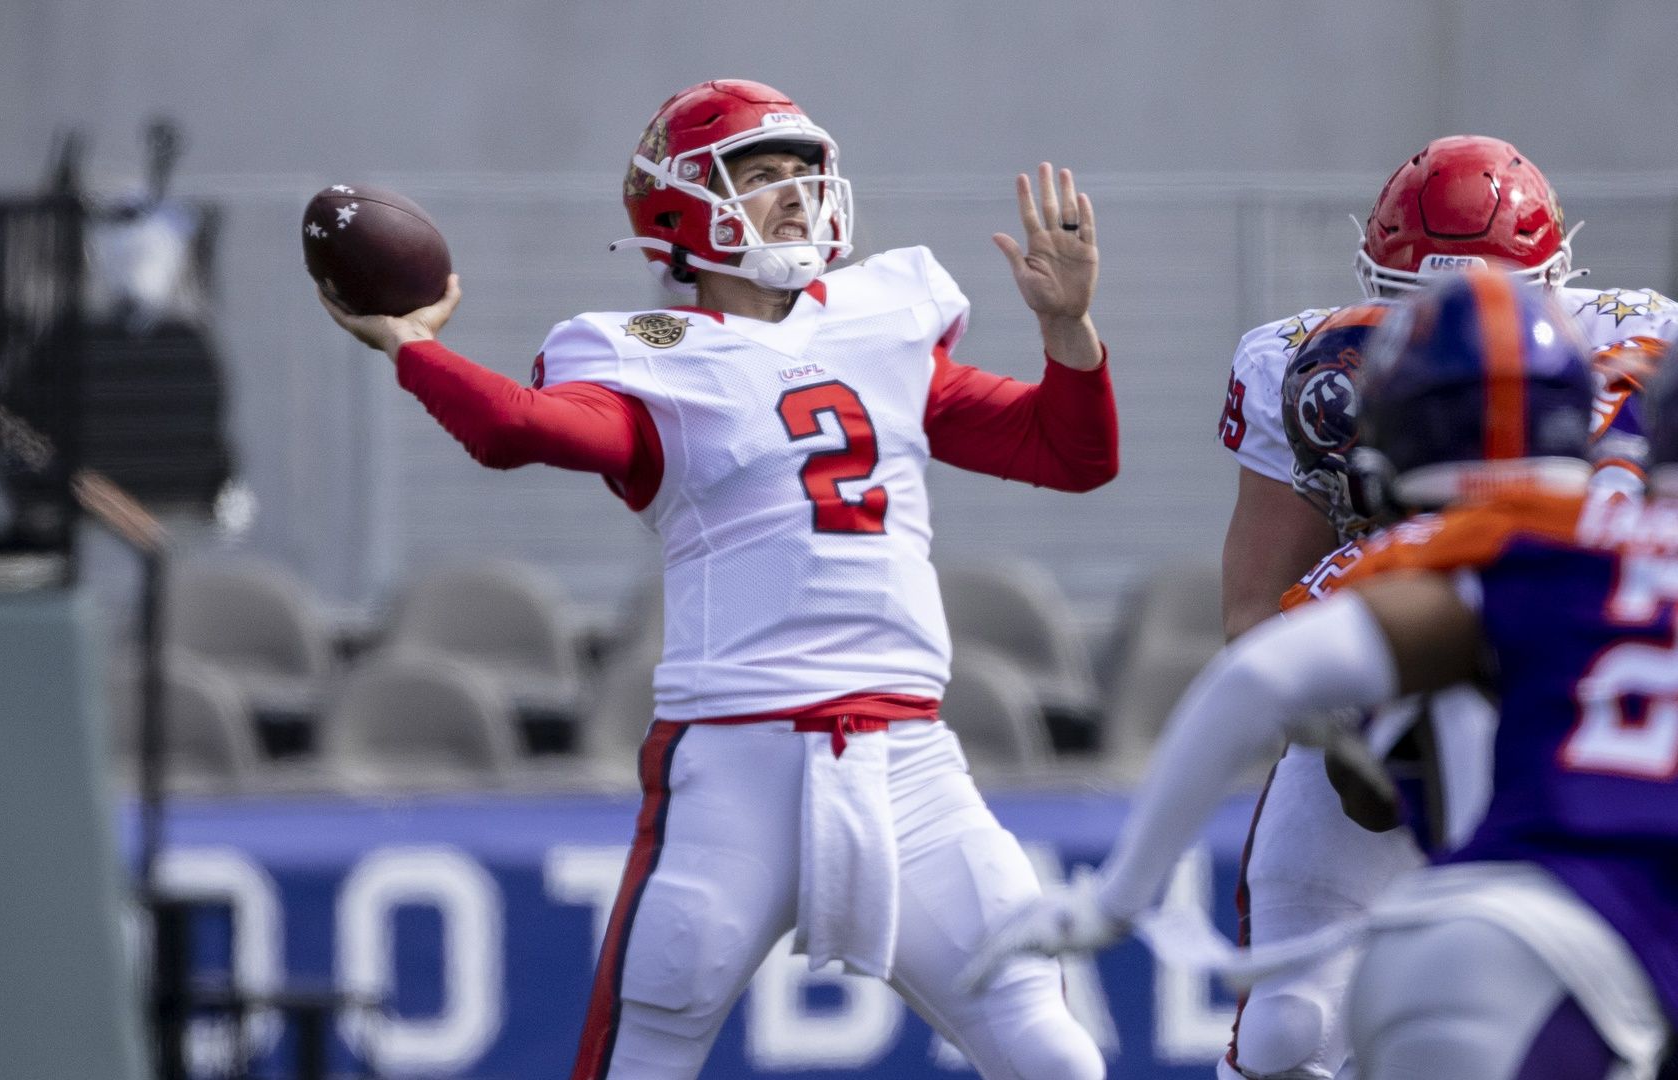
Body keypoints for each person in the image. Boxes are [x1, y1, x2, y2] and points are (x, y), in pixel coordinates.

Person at [317, 78, 1114, 1080]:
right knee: (641, 1060)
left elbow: (1069, 453)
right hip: (735, 768)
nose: (794, 195)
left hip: (913, 765)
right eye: (761, 175)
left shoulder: (885, 324)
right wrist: (415, 347)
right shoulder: (651, 356)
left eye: (801, 173)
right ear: (679, 205)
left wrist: (1067, 333)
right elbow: (514, 429)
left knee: (1058, 1058)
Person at [967, 267, 1678, 1080]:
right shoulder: (1618, 521)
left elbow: (1264, 681)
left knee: (1290, 1029)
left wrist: (1117, 896)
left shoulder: (1455, 555)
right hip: (1618, 920)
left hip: (1515, 925)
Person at [1209, 135, 1678, 1080]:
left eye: (1498, 300)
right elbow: (1255, 613)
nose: (1459, 331)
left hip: (1572, 702)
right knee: (1287, 1033)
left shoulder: (1641, 346)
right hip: (1401, 658)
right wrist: (1342, 707)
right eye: (1414, 304)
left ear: (1558, 285)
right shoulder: (1304, 365)